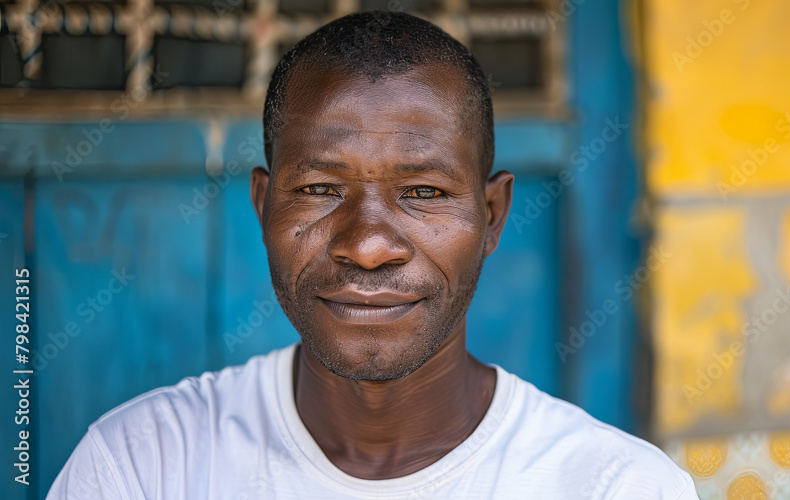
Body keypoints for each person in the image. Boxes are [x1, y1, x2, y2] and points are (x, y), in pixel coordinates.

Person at [48, 11, 697, 499]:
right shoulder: (143, 466)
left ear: (493, 215)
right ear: (264, 206)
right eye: (321, 190)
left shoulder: (613, 487)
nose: (368, 245)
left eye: (422, 192)